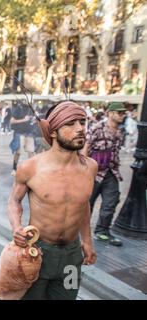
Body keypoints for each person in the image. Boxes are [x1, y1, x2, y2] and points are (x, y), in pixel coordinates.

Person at [7, 100, 97, 300]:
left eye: (82, 122)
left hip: (72, 257)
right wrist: (16, 228)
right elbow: (14, 201)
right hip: (37, 253)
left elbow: (83, 204)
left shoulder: (90, 167)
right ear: (53, 132)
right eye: (71, 124)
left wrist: (88, 241)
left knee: (67, 297)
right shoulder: (30, 167)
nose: (80, 129)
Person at [83, 102, 127, 247]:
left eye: (123, 113)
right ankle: (80, 230)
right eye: (119, 113)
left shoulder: (121, 132)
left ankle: (102, 231)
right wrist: (84, 170)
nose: (123, 115)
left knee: (111, 202)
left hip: (111, 172)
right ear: (110, 113)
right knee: (86, 204)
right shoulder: (97, 128)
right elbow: (86, 147)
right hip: (94, 172)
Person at [9, 102, 36, 175]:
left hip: (30, 133)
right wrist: (24, 120)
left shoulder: (32, 109)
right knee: (18, 152)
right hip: (19, 133)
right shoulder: (19, 108)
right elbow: (11, 121)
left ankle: (31, 169)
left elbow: (33, 120)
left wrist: (34, 120)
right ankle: (14, 168)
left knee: (31, 152)